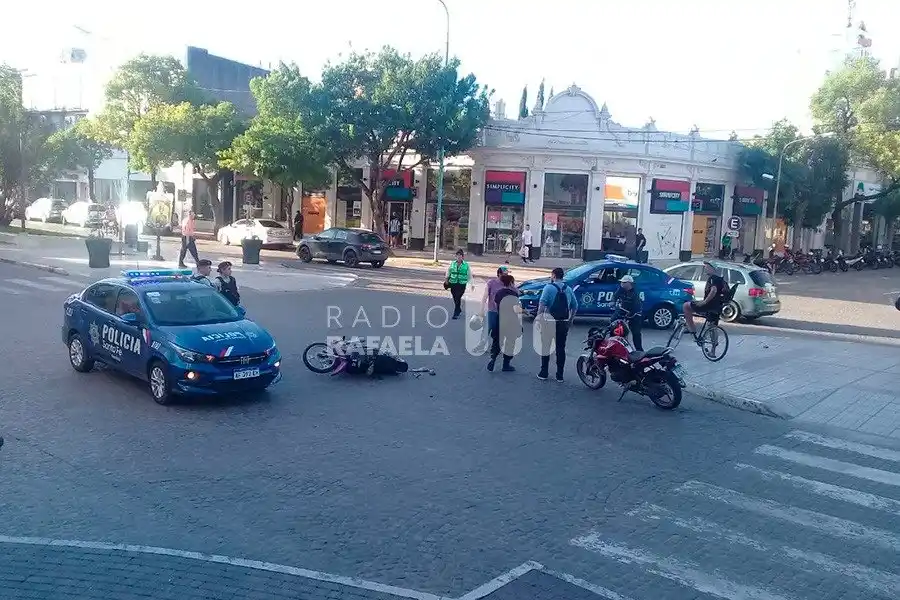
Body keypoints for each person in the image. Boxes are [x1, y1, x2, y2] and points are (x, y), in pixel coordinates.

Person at [536, 267, 578, 381]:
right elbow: (575, 306)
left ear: (554, 275)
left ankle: (544, 372)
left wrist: (538, 319)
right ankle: (560, 375)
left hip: (549, 322)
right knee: (560, 348)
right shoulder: (568, 289)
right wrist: (570, 320)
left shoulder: (548, 288)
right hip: (563, 322)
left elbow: (542, 305)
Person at [682, 261, 728, 339]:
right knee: (712, 326)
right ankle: (714, 344)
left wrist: (705, 301)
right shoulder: (720, 279)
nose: (705, 269)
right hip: (717, 306)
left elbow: (714, 290)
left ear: (712, 269)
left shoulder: (712, 278)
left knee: (686, 306)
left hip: (708, 306)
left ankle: (691, 329)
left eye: (707, 267)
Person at [488, 273, 522, 372]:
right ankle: (506, 364)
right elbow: (517, 309)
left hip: (500, 319)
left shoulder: (499, 293)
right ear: (511, 283)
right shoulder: (514, 294)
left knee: (497, 341)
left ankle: (493, 358)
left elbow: (496, 305)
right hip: (511, 320)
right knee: (510, 342)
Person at [482, 266, 508, 356]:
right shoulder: (491, 283)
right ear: (499, 274)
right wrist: (482, 309)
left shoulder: (508, 284)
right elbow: (485, 296)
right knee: (489, 328)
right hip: (492, 310)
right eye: (504, 274)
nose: (506, 276)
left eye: (507, 274)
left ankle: (497, 347)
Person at [612, 274, 643, 351]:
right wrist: (614, 302)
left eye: (624, 282)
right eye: (621, 282)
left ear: (629, 283)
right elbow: (615, 296)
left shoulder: (635, 293)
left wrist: (629, 315)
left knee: (636, 333)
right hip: (623, 311)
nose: (621, 283)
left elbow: (636, 307)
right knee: (613, 325)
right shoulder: (621, 289)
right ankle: (614, 345)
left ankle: (639, 350)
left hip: (635, 315)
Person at [445, 249, 470, 319]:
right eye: (457, 255)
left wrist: (471, 283)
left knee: (458, 296)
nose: (459, 257)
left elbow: (469, 274)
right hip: (453, 282)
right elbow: (448, 271)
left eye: (460, 256)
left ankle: (456, 312)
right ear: (455, 256)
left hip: (462, 284)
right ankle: (458, 309)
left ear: (463, 257)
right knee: (455, 296)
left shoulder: (466, 265)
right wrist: (446, 279)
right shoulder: (452, 264)